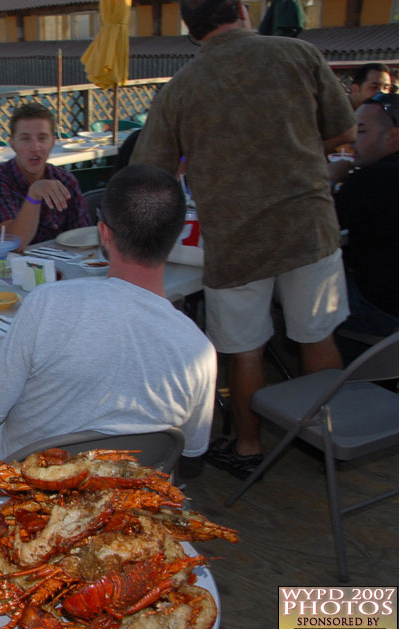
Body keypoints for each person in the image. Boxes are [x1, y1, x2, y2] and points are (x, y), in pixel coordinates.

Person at [131, 0, 356, 479]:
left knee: (245, 351)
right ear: (242, 11)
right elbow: (343, 129)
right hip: (307, 222)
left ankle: (249, 445)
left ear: (193, 31)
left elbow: (150, 173)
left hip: (234, 236)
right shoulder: (298, 54)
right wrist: (293, 153)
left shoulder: (181, 88)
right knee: (317, 335)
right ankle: (330, 437)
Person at [0, 165, 217, 463]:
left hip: (20, 494)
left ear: (103, 233)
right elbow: (189, 448)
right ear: (176, 237)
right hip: (126, 501)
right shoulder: (200, 351)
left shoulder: (49, 303)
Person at [330, 93, 399, 341]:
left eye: (361, 131)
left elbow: (316, 225)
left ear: (392, 136)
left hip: (382, 311)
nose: (352, 141)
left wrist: (330, 178)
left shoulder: (372, 179)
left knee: (299, 296)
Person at [0, 103, 92, 247]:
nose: (35, 147)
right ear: (12, 144)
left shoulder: (66, 181)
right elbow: (14, 244)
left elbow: (84, 237)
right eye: (25, 139)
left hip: (62, 263)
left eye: (42, 138)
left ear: (53, 142)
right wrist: (34, 195)